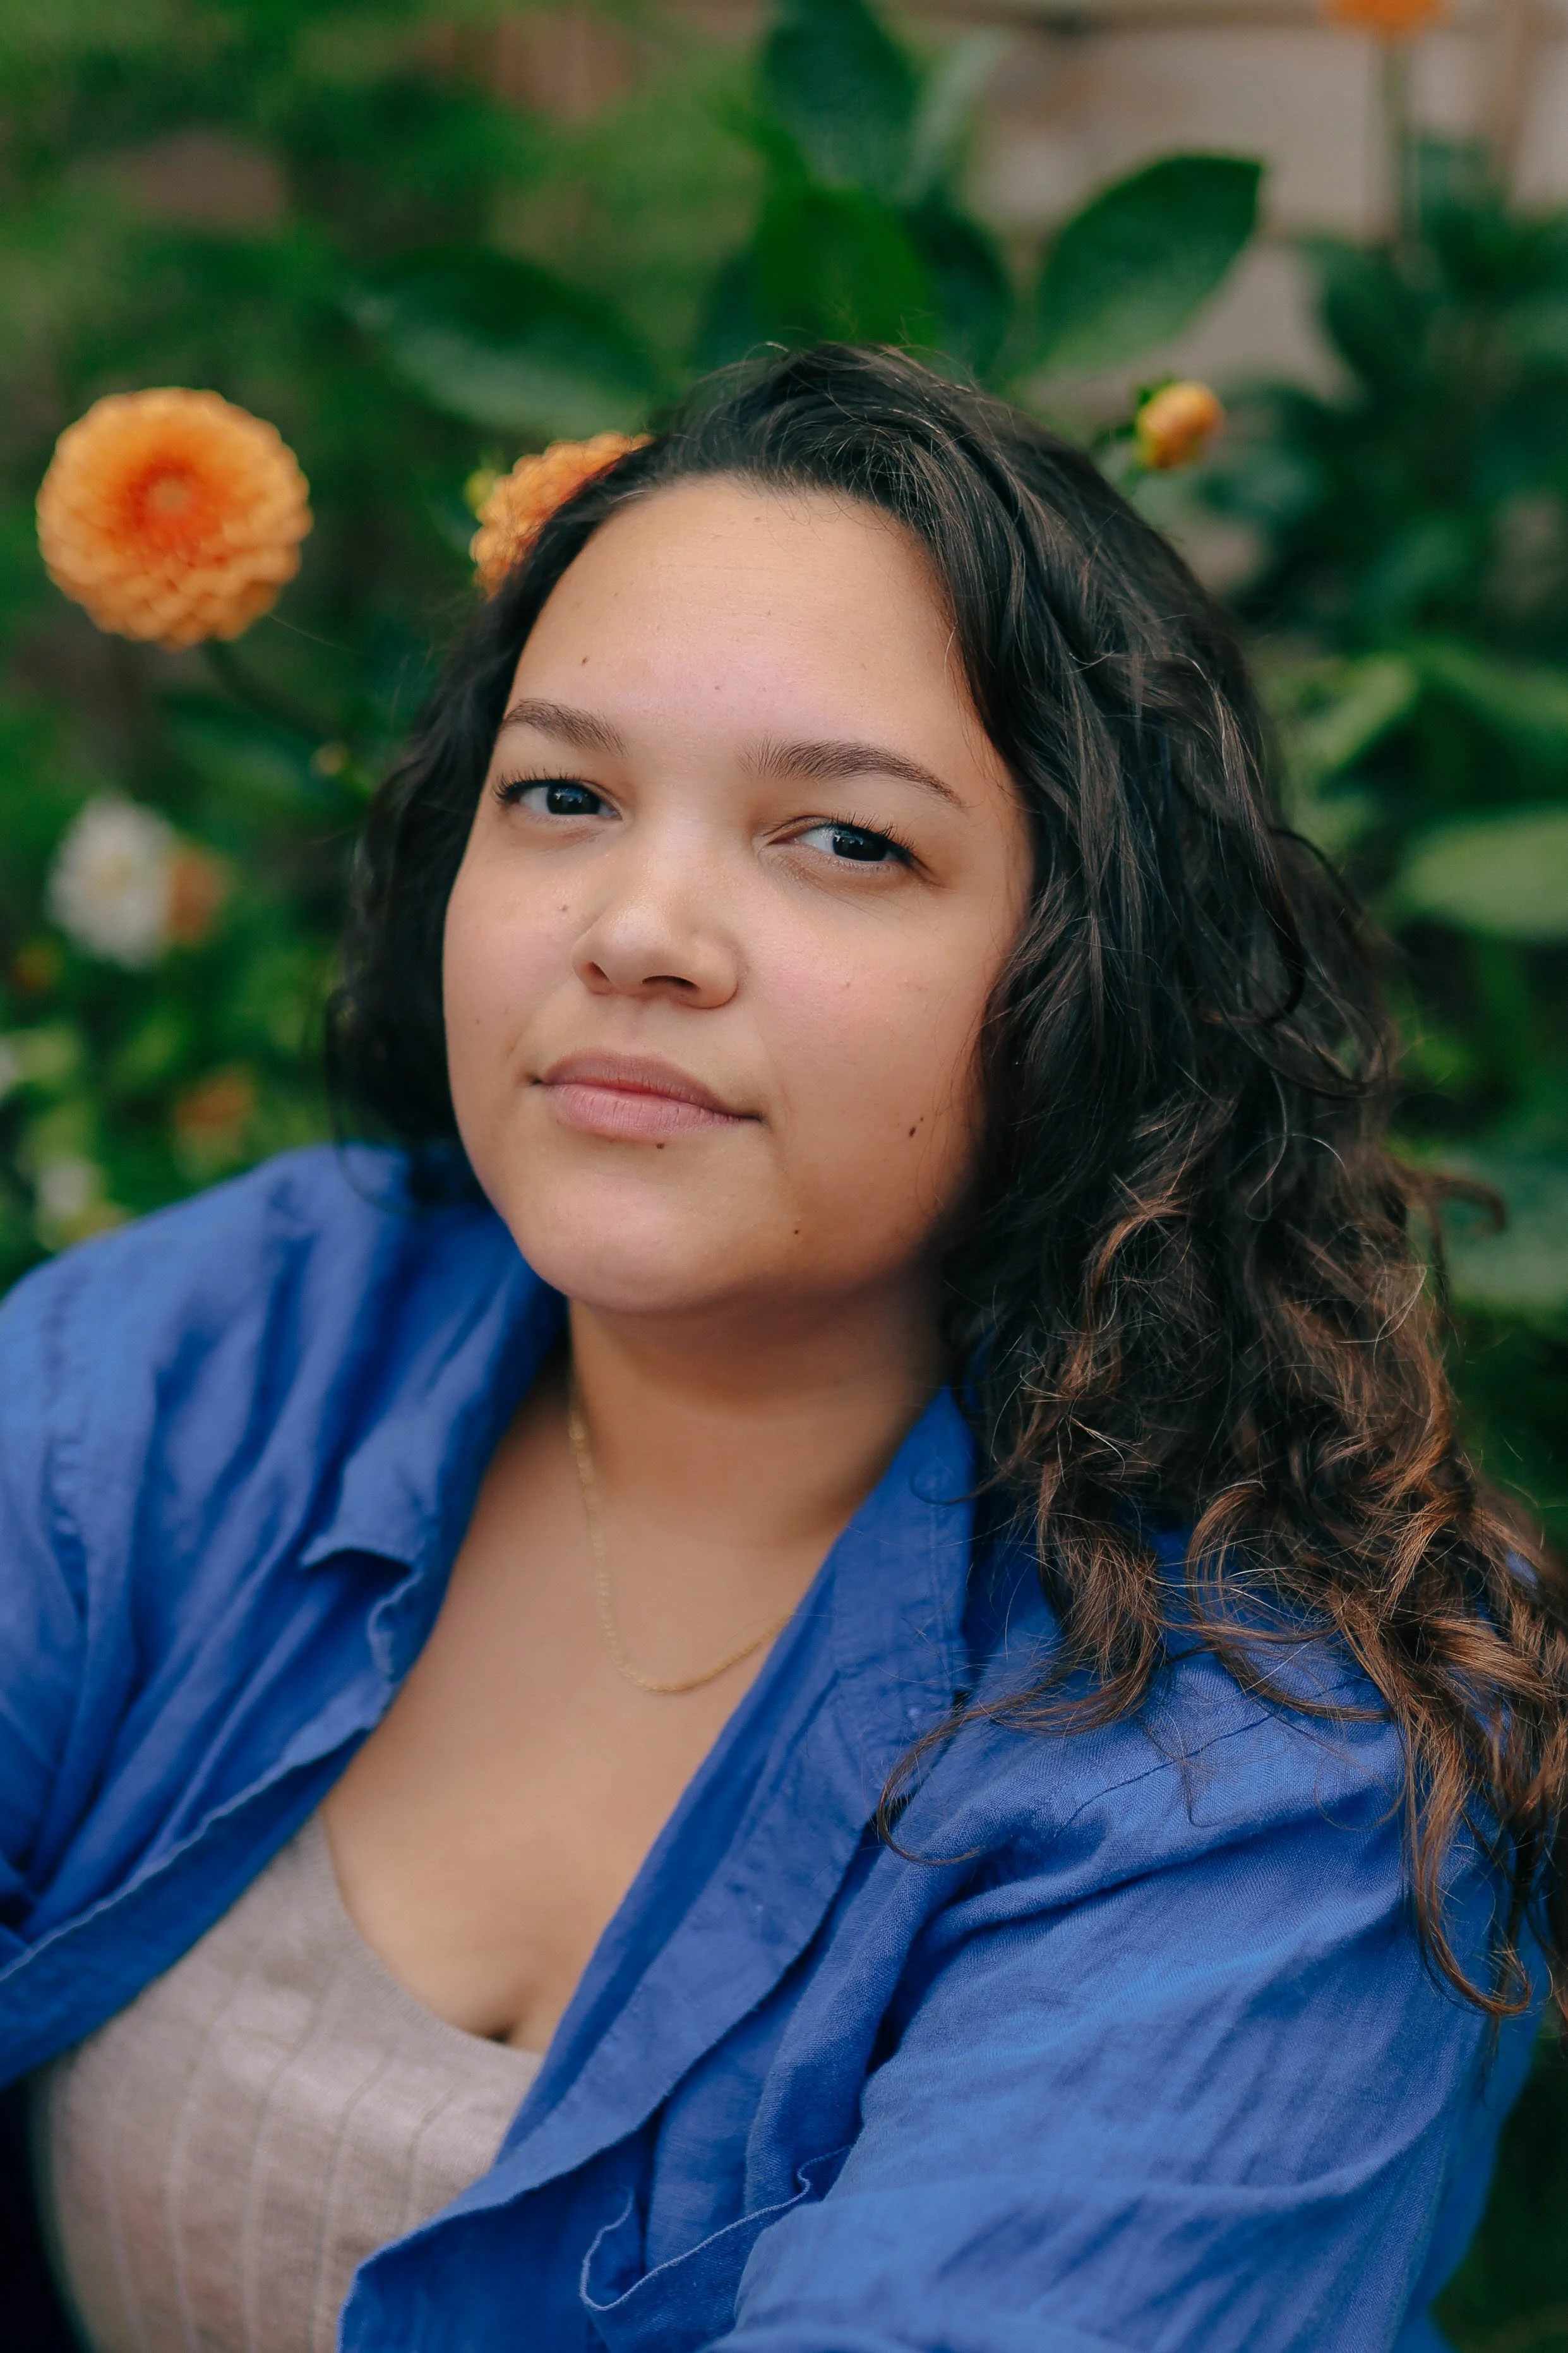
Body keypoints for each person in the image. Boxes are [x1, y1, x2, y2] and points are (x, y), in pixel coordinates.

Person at [1, 343, 1564, 2353]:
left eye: (842, 839)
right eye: (561, 794)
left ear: (1082, 972)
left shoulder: (1274, 1757)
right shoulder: (231, 1348)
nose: (639, 926)